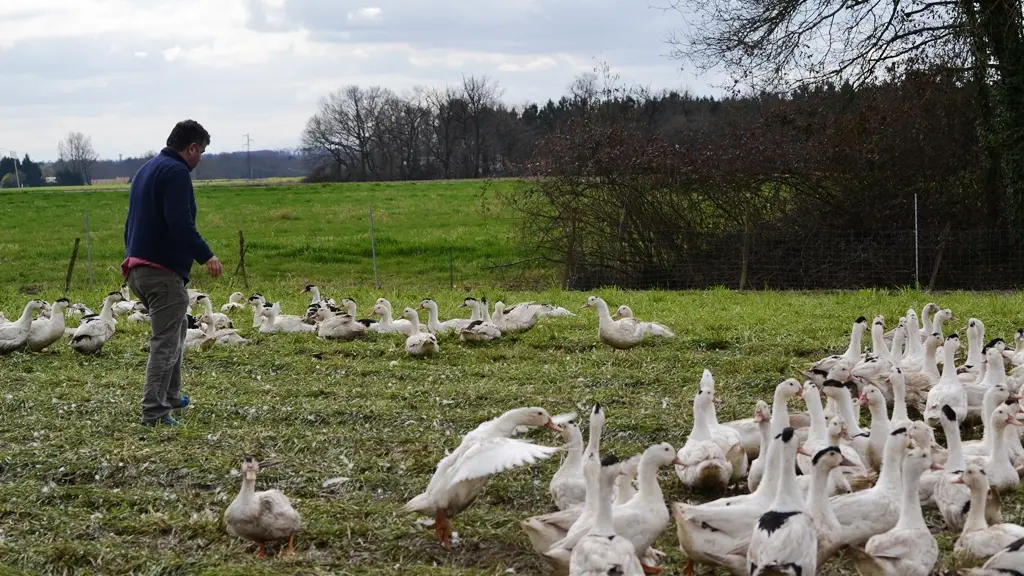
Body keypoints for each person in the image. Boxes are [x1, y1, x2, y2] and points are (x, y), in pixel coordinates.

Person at [122, 120, 223, 427]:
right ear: (191, 148)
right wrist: (207, 255)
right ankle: (154, 411)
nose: (201, 158)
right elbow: (180, 224)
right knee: (165, 343)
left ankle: (172, 396)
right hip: (161, 272)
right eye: (201, 151)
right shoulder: (177, 172)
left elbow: (131, 222)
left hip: (137, 267)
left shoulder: (147, 168)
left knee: (177, 329)